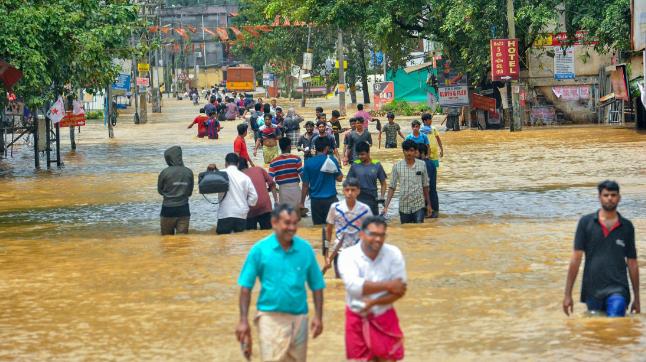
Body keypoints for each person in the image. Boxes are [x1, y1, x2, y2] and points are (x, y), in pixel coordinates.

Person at [236, 204, 325, 362]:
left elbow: (317, 285)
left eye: (295, 223)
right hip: (270, 318)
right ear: (274, 223)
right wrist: (243, 321)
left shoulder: (305, 250)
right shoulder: (260, 250)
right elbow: (245, 287)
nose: (291, 227)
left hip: (299, 318)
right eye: (287, 223)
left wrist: (318, 316)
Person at [563, 180, 640, 317]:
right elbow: (576, 259)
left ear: (619, 198)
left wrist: (637, 298)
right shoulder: (586, 223)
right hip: (593, 290)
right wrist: (567, 294)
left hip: (618, 288)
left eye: (613, 195)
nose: (609, 198)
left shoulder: (627, 227)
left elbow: (632, 263)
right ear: (599, 197)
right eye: (606, 195)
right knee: (598, 329)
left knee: (616, 317)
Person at [338, 216, 407, 361]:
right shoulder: (347, 255)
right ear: (361, 234)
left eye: (381, 235)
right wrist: (388, 285)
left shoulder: (393, 253)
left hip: (384, 314)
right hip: (356, 318)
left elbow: (400, 290)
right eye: (373, 234)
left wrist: (374, 302)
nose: (378, 239)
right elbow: (353, 287)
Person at [323, 177, 373, 277]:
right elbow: (328, 232)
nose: (350, 193)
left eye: (353, 190)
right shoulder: (335, 207)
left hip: (358, 253)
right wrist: (326, 256)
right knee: (340, 283)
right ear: (343, 191)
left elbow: (371, 233)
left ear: (358, 191)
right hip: (339, 252)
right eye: (347, 190)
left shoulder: (365, 210)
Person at [383, 140, 430, 223]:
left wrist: (429, 204)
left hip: (418, 205)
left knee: (419, 231)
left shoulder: (422, 164)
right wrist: (386, 206)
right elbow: (392, 187)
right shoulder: (397, 166)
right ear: (403, 151)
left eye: (411, 150)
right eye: (406, 150)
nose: (409, 153)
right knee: (406, 230)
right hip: (404, 206)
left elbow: (425, 185)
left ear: (415, 151)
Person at [300, 136, 343, 225]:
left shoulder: (308, 162)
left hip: (315, 201)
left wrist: (302, 202)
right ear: (327, 148)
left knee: (318, 229)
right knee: (332, 229)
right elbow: (340, 178)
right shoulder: (331, 160)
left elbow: (305, 185)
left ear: (315, 147)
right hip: (331, 200)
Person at [216, 153, 258, 234]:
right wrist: (246, 205)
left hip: (225, 214)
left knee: (223, 243)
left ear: (225, 163)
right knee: (240, 242)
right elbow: (254, 197)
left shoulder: (219, 174)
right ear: (238, 164)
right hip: (241, 214)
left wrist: (210, 171)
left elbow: (208, 184)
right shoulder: (245, 177)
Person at [158, 146, 194, 235]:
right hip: (184, 210)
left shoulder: (164, 172)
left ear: (168, 158)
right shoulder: (189, 172)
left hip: (167, 210)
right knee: (182, 242)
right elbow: (189, 192)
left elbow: (160, 190)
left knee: (167, 242)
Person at [348, 142, 387, 215]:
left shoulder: (377, 165)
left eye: (362, 154)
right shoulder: (355, 165)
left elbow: (383, 183)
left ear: (368, 152)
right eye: (358, 154)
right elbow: (348, 183)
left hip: (372, 199)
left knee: (373, 223)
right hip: (358, 199)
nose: (360, 156)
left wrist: (382, 197)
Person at [238, 158, 277, 230]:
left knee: (251, 236)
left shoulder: (238, 176)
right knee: (267, 233)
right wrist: (276, 201)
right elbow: (272, 184)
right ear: (247, 164)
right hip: (265, 207)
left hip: (250, 210)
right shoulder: (259, 169)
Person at [268, 137, 303, 209]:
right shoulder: (296, 159)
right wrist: (306, 188)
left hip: (282, 190)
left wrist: (275, 199)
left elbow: (270, 180)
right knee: (298, 214)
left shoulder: (274, 162)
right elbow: (302, 175)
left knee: (285, 215)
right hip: (295, 189)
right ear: (289, 146)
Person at [417, 144, 439, 218]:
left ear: (422, 153)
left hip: (429, 202)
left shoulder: (425, 164)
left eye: (416, 153)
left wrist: (426, 204)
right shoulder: (430, 162)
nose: (414, 155)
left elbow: (426, 186)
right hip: (432, 201)